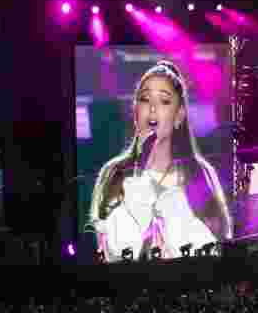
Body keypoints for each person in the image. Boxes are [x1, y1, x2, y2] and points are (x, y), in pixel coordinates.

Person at [88, 60, 231, 262]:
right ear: (135, 111)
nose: (153, 108)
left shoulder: (199, 173)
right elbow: (107, 251)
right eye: (145, 99)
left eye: (164, 101)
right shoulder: (114, 172)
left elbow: (220, 245)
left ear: (179, 115)